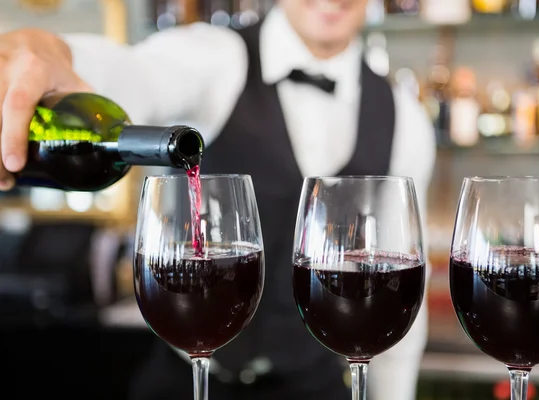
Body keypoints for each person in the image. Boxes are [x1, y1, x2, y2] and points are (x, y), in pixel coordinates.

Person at [0, 0, 436, 398]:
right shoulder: (217, 57)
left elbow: (401, 298)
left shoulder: (405, 118)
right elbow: (131, 72)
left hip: (315, 385)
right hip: (187, 378)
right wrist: (49, 52)